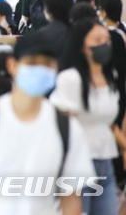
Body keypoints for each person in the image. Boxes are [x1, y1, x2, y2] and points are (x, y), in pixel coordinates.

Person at [0, 32, 95, 215]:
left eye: (47, 64)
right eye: (32, 63)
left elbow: (71, 203)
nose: (40, 69)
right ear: (12, 65)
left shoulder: (67, 129)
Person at [50, 19, 123, 215]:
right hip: (77, 164)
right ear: (81, 45)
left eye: (106, 39)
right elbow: (61, 124)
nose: (104, 44)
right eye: (97, 39)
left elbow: (108, 124)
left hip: (105, 162)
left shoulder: (111, 77)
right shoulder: (71, 79)